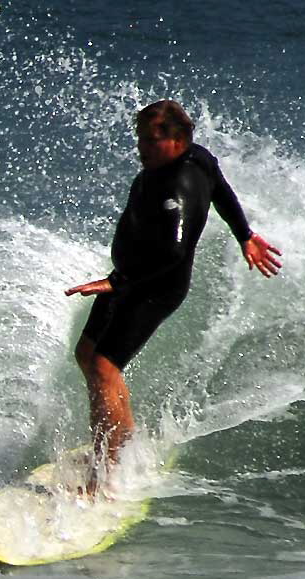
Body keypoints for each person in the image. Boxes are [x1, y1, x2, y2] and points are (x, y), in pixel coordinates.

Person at [65, 100, 282, 494]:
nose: (141, 148)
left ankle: (104, 477)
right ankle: (123, 438)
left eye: (151, 141)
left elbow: (173, 252)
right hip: (131, 278)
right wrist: (245, 235)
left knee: (103, 368)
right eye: (140, 139)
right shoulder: (198, 159)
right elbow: (220, 188)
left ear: (177, 141)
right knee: (87, 353)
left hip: (154, 287)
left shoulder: (175, 189)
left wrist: (120, 280)